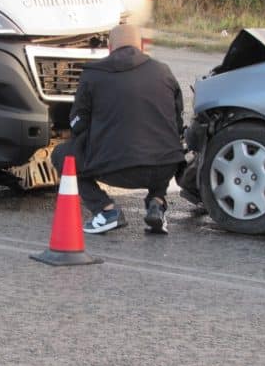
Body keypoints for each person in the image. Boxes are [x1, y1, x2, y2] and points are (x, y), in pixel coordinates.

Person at [51, 24, 185, 235]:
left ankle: (106, 211)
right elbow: (177, 124)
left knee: (61, 155)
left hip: (113, 168)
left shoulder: (93, 75)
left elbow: (78, 123)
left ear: (109, 47)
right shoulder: (164, 71)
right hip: (162, 168)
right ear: (141, 46)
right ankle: (157, 203)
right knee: (166, 148)